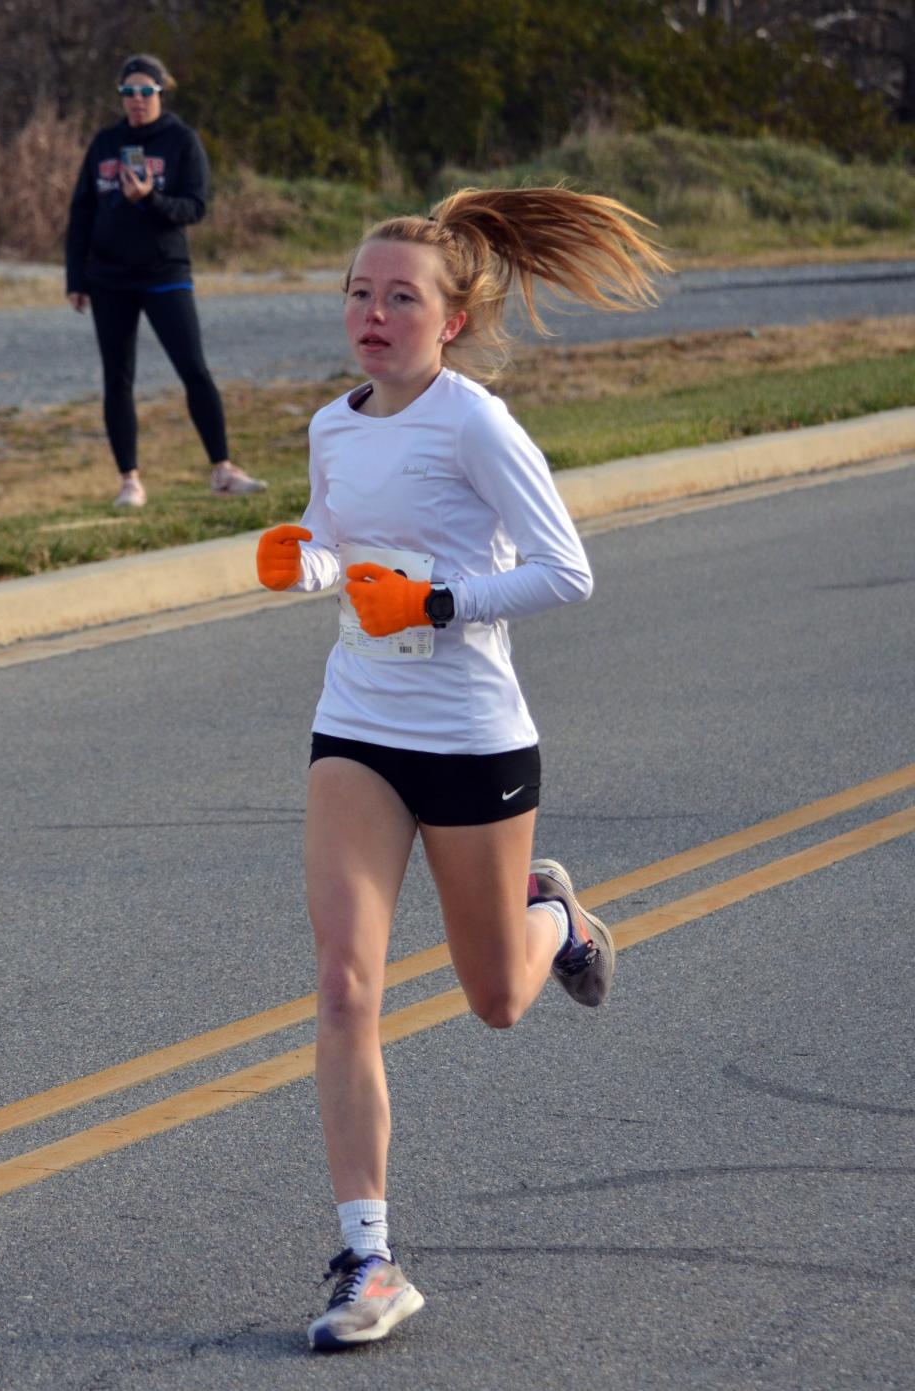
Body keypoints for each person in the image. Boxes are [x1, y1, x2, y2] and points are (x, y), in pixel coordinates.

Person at [255, 186, 667, 1351]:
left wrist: (438, 599)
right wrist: (313, 561)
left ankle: (557, 915)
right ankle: (370, 1258)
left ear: (451, 318)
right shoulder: (335, 426)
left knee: (495, 998)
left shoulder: (478, 423)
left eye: (401, 298)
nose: (373, 315)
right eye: (358, 294)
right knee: (345, 982)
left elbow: (565, 571)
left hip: (476, 732)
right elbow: (344, 539)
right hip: (359, 725)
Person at [65, 53, 266, 507]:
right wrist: (76, 277)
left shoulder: (181, 141)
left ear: (161, 92)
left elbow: (194, 207)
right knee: (117, 378)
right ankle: (129, 482)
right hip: (108, 277)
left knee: (193, 368)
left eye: (145, 91)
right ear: (121, 96)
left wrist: (150, 197)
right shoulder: (104, 143)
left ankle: (222, 470)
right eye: (128, 92)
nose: (137, 100)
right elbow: (81, 212)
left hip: (164, 272)